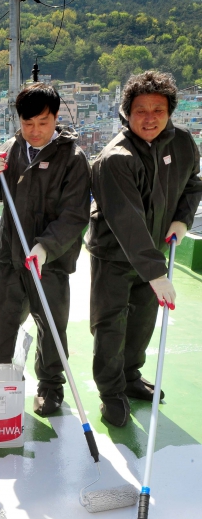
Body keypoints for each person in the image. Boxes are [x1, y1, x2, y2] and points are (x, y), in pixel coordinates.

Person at [86, 70, 202, 427]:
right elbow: (127, 222)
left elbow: (192, 183)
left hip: (154, 251)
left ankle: (131, 376)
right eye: (140, 110)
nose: (149, 118)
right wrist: (157, 273)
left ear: (170, 112)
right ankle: (110, 392)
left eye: (158, 110)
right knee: (111, 325)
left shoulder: (181, 143)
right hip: (115, 255)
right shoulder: (115, 158)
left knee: (141, 322)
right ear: (126, 112)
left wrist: (182, 220)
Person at [0, 83, 91, 416]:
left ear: (56, 117)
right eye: (28, 124)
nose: (35, 131)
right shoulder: (11, 149)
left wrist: (45, 248)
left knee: (52, 328)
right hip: (12, 259)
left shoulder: (73, 159)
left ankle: (50, 387)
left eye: (43, 122)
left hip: (50, 263)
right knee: (3, 328)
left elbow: (75, 216)